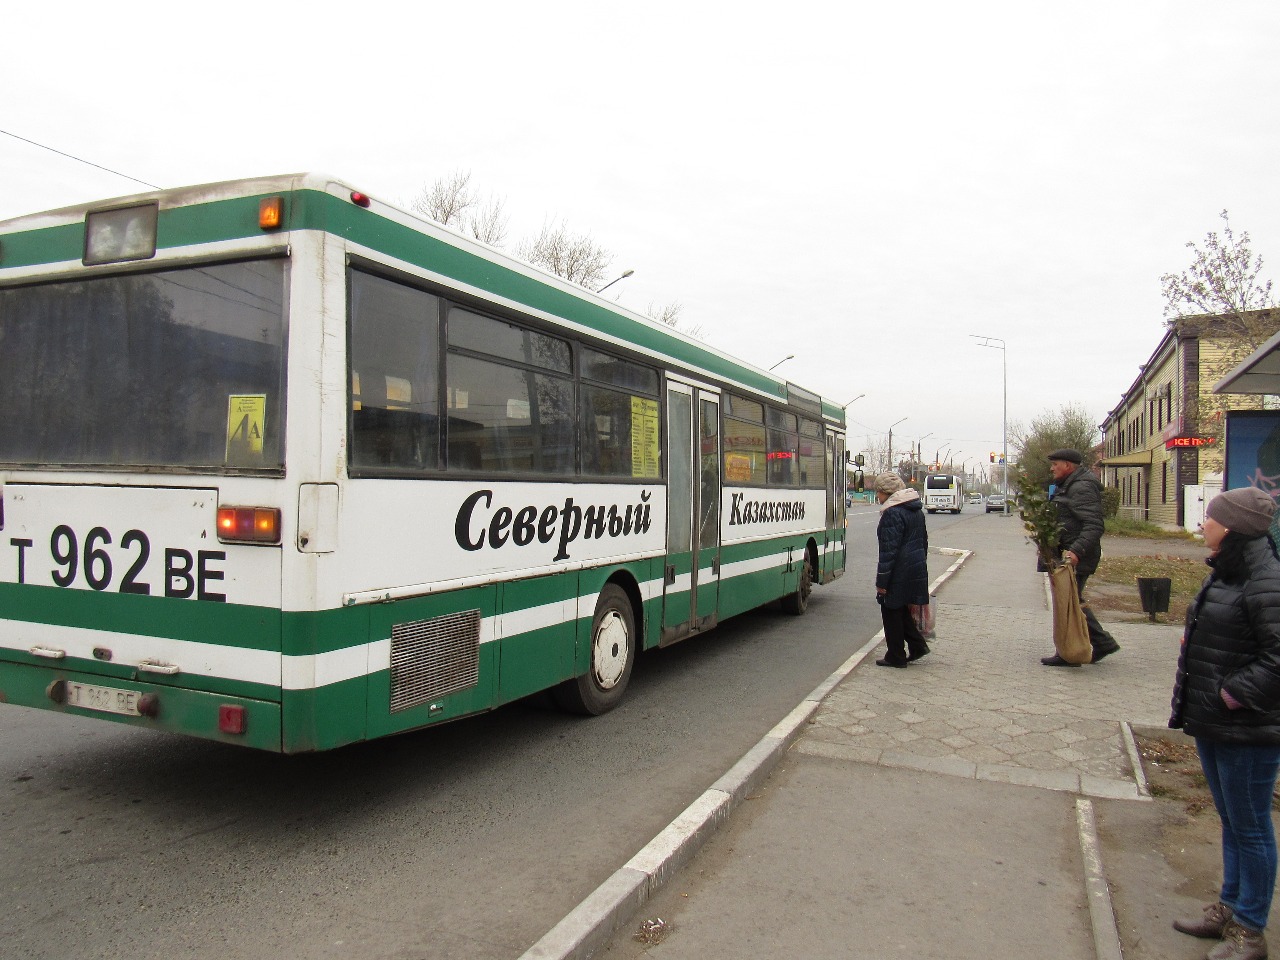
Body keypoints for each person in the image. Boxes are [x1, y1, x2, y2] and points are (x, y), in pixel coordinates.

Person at [1170, 486, 1280, 960]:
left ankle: (1250, 931)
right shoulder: (1230, 571)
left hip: (1246, 727)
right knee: (1233, 821)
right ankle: (1231, 908)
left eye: (1209, 518)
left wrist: (1231, 694)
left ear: (1231, 526)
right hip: (1216, 721)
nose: (1202, 524)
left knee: (1251, 826)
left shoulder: (1265, 579)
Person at [1039, 448, 1122, 667]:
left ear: (1067, 465)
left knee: (1070, 602)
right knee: (1074, 601)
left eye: (1055, 463)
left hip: (1076, 557)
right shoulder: (1070, 486)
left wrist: (1075, 551)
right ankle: (1100, 642)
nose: (1052, 468)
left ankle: (1070, 651)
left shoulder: (1081, 487)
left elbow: (1094, 525)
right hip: (1067, 554)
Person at [873, 473, 931, 667]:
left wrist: (882, 583)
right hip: (915, 566)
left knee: (889, 608)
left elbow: (888, 552)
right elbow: (923, 541)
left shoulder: (892, 513)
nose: (877, 497)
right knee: (899, 609)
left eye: (878, 492)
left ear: (886, 493)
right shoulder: (915, 510)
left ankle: (896, 655)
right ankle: (917, 646)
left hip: (899, 569)